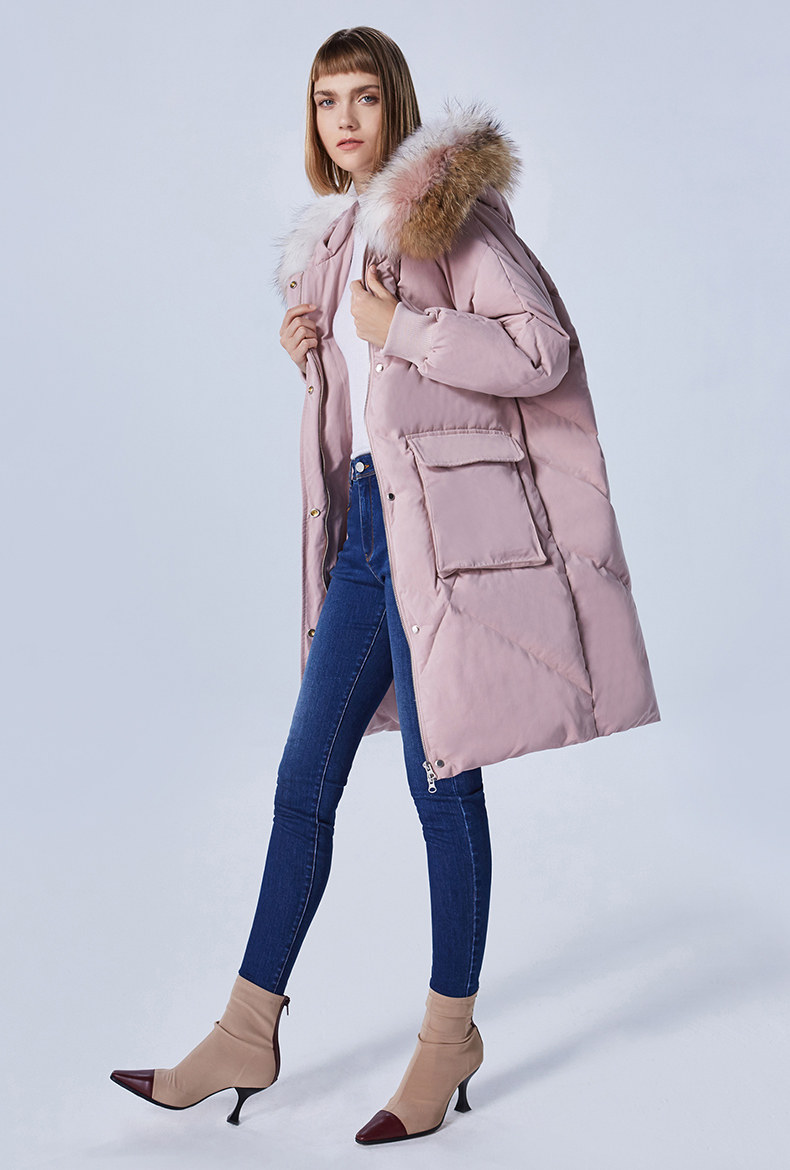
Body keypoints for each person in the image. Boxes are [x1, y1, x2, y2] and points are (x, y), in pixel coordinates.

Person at [111, 25, 660, 1146]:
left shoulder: (450, 218)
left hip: (438, 541)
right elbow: (379, 402)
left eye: (363, 97)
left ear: (394, 104)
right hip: (368, 532)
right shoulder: (335, 238)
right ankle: (246, 1029)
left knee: (439, 779)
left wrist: (399, 327)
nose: (346, 119)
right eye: (327, 102)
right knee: (302, 779)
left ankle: (448, 1035)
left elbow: (540, 350)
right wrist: (317, 354)